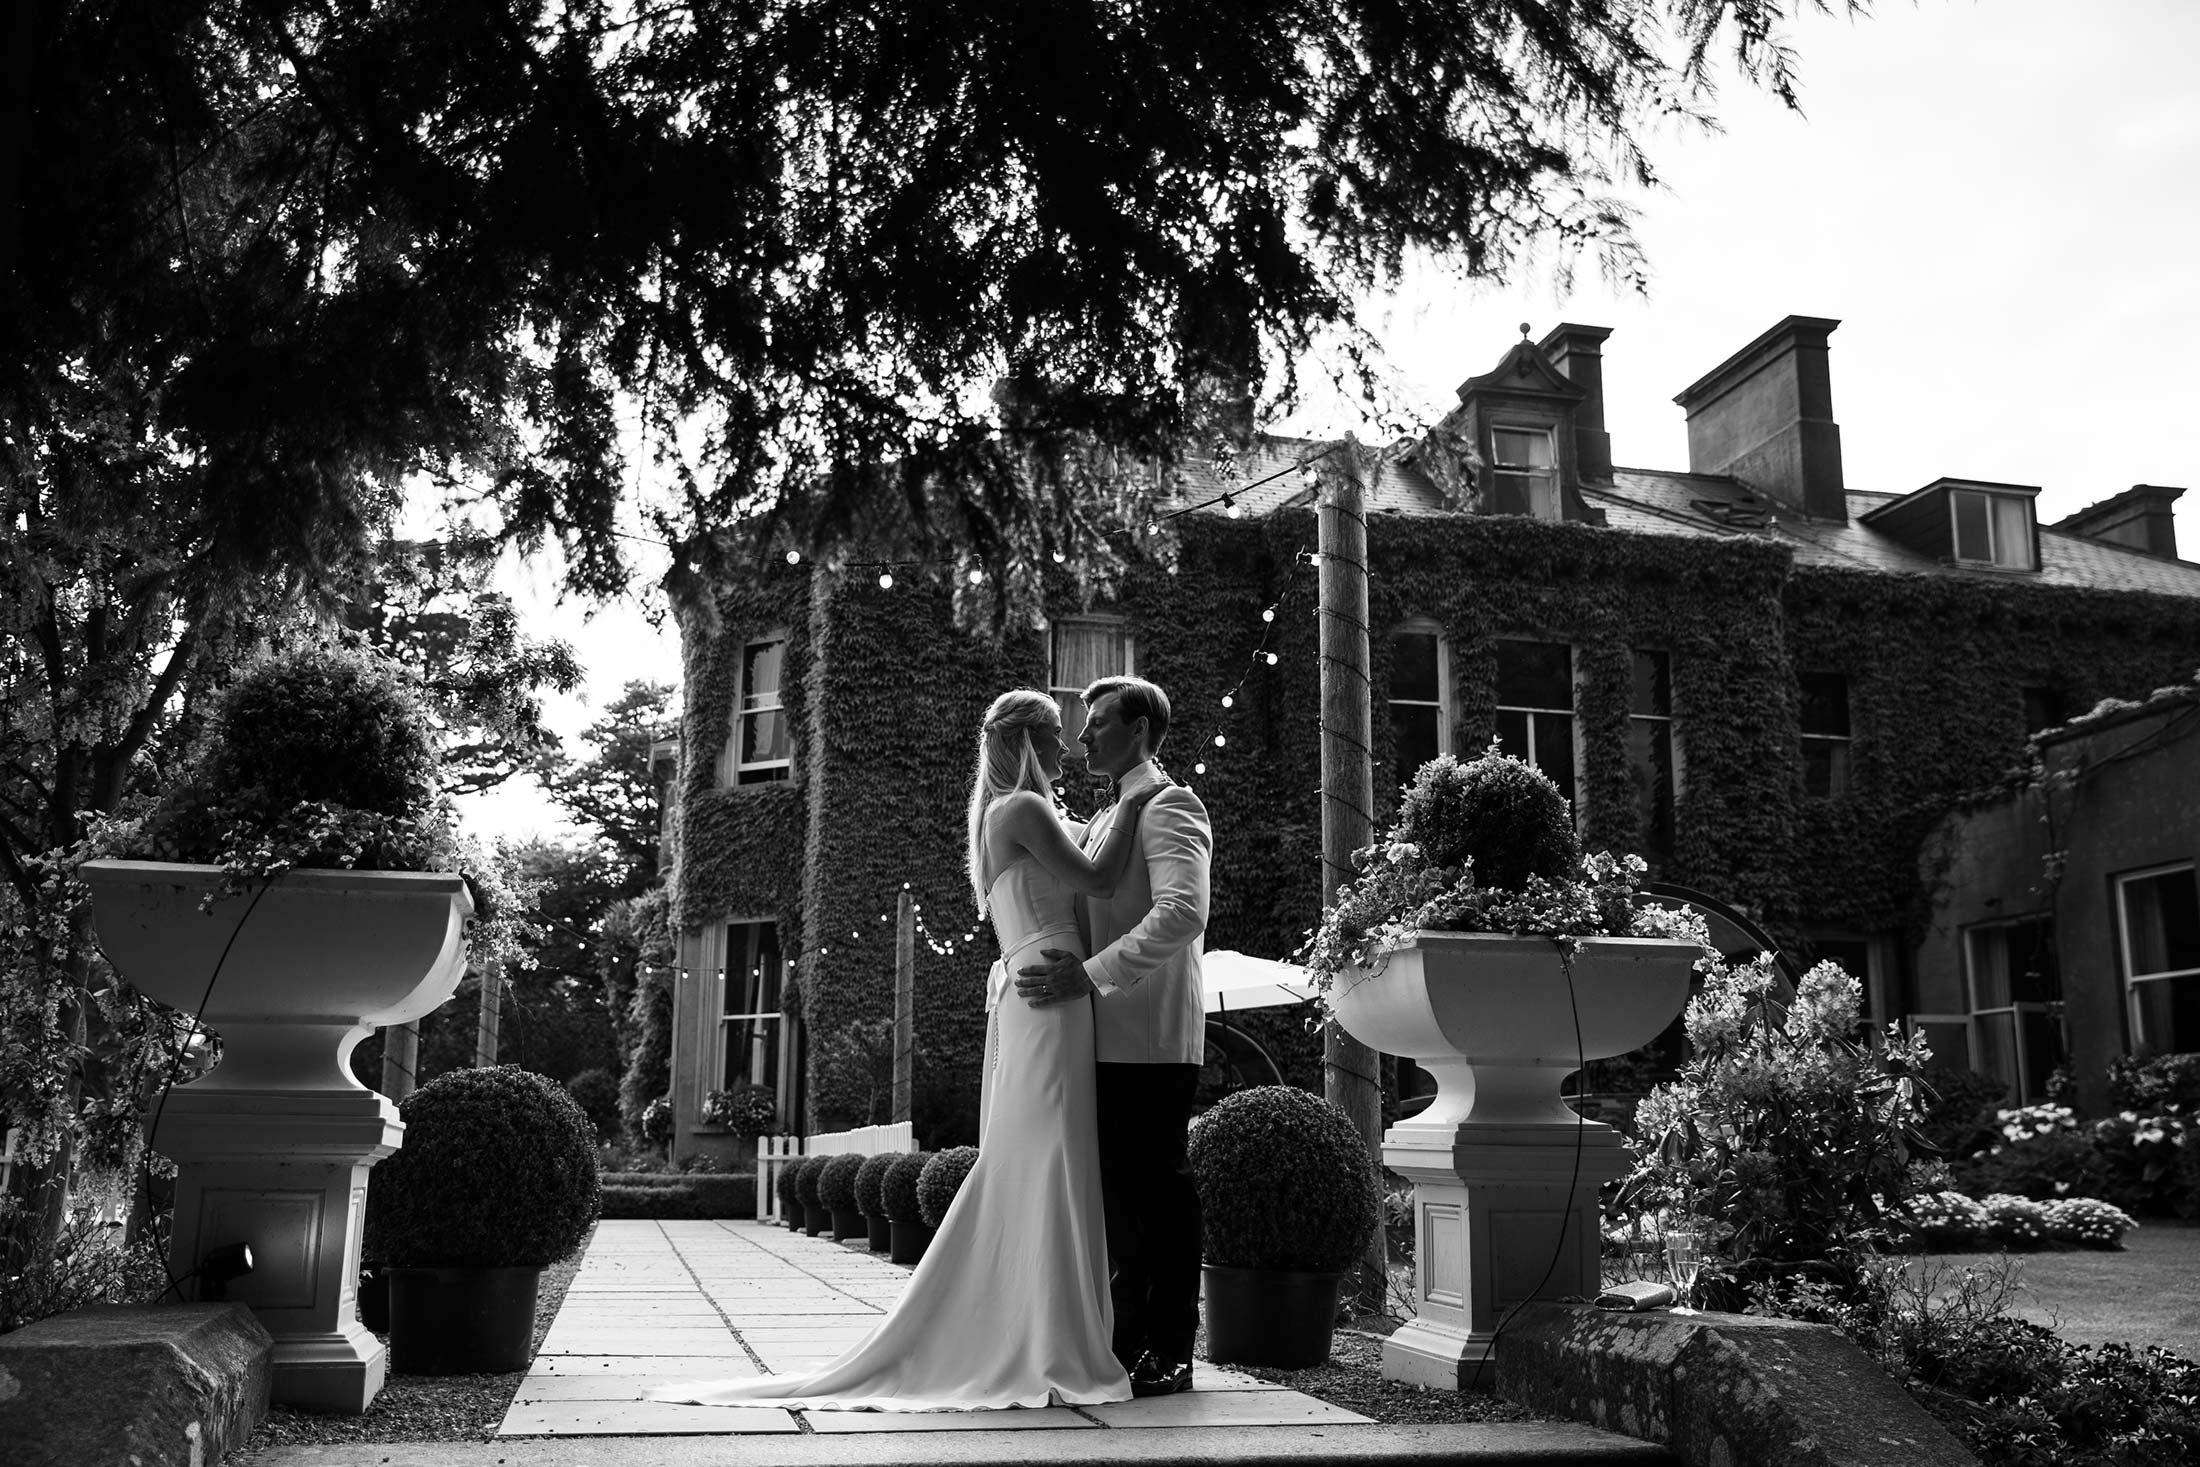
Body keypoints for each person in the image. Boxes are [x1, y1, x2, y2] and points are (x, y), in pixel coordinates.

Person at [650, 688, 1155, 1412]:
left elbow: (1081, 852)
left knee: (1045, 1155)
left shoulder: (998, 815)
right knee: (1049, 1157)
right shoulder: (1024, 809)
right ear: (1027, 743)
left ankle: (1041, 1320)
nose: (1068, 748)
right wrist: (1138, 795)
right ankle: (1045, 1331)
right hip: (1052, 992)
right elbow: (1101, 875)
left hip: (1035, 987)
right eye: (1055, 736)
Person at [1014, 675, 1212, 1399]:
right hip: (1095, 1038)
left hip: (1151, 1037)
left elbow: (1182, 913)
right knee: (1118, 1199)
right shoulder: (1102, 819)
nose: (1083, 733)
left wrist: (1088, 975)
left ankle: (1173, 1349)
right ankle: (1125, 1343)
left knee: (1160, 1193)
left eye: (1097, 721)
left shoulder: (1171, 805)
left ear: (1139, 728)